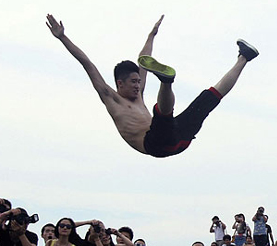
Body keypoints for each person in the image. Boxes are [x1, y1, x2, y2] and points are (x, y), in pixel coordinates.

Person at [47, 14, 259, 158]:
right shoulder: (110, 98)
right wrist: (63, 37)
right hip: (154, 144)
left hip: (179, 140)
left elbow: (144, 58)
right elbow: (87, 64)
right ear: (119, 83)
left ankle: (244, 58)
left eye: (139, 81)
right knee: (162, 117)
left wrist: (151, 35)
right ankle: (167, 81)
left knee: (207, 100)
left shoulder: (138, 95)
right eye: (133, 82)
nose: (138, 86)